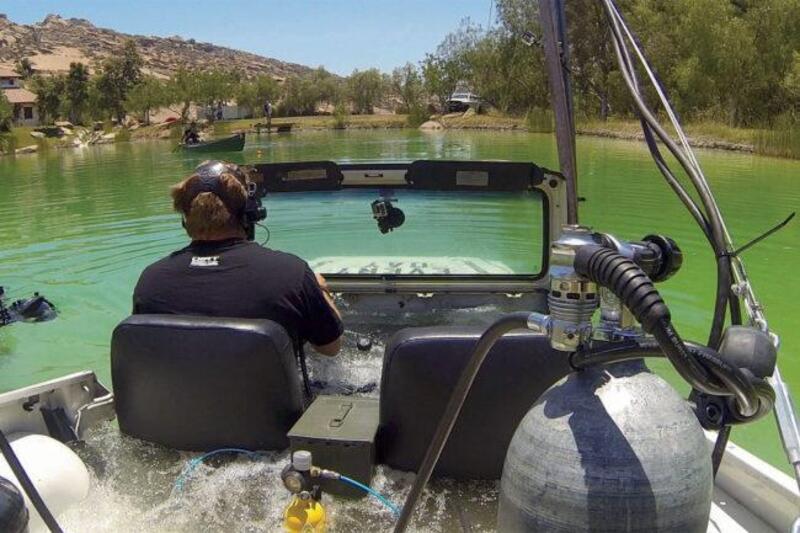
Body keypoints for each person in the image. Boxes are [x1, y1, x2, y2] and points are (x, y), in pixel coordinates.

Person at [132, 160, 343, 357]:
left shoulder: (150, 282)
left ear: (185, 218)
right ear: (249, 213)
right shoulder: (291, 273)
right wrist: (320, 290)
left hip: (177, 397)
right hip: (267, 398)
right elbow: (331, 348)